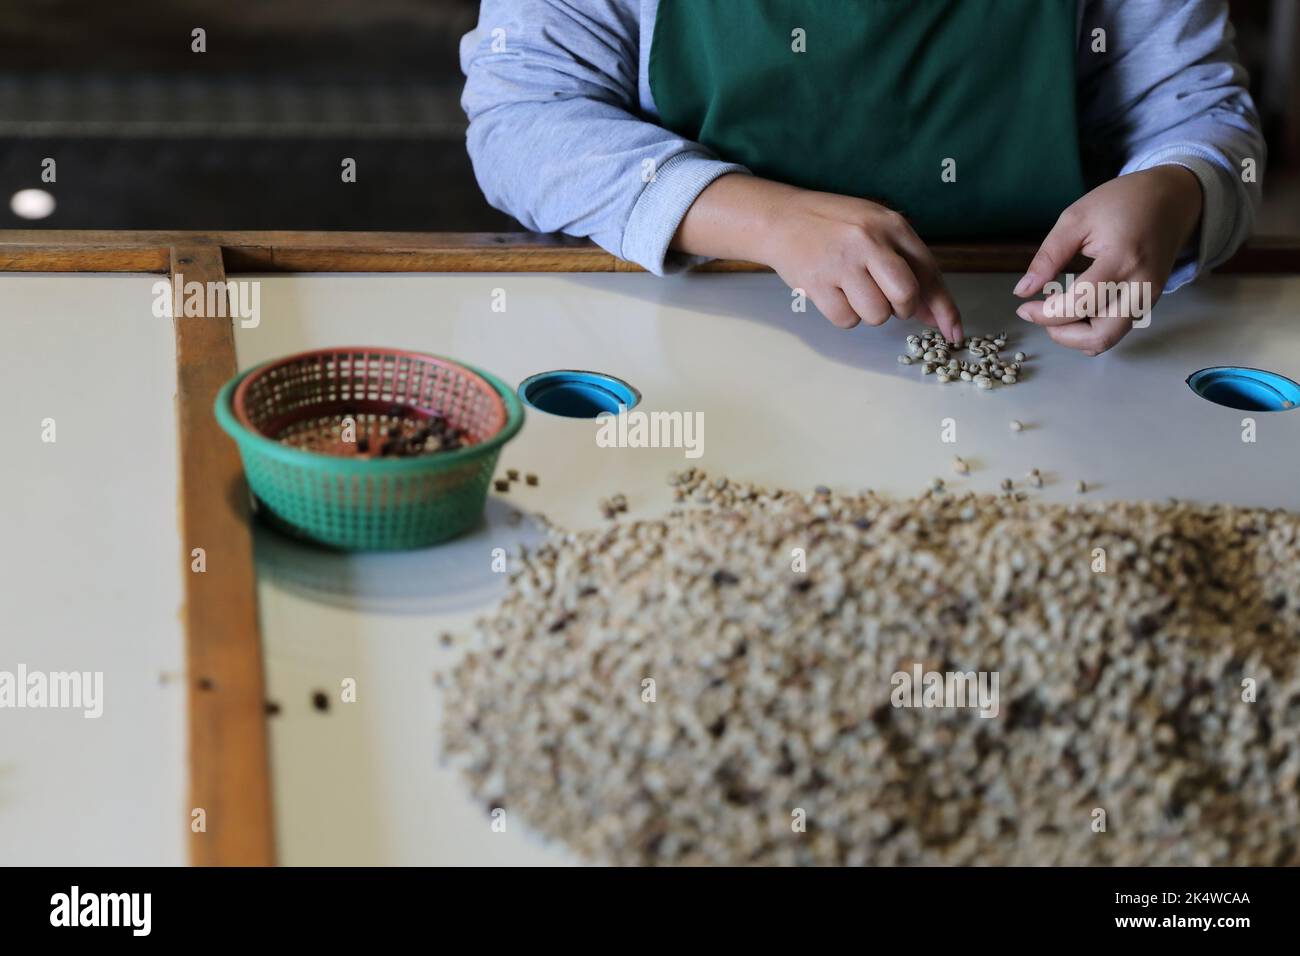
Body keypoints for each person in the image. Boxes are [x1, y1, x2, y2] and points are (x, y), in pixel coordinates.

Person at [460, 0, 1264, 354]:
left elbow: (1201, 114)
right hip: (700, 325)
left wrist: (1177, 190)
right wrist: (761, 219)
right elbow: (520, 114)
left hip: (1043, 339)